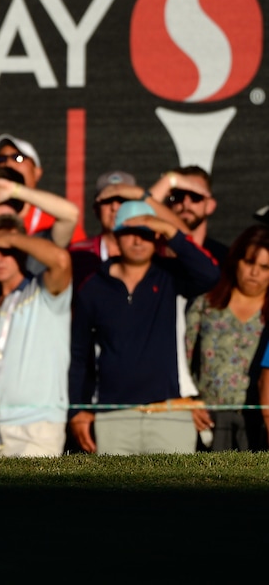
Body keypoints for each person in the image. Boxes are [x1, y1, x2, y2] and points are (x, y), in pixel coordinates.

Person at [69, 200, 220, 455]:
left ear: (157, 237)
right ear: (116, 236)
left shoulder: (170, 276)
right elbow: (78, 355)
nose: (138, 241)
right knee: (116, 494)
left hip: (169, 410)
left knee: (172, 494)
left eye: (146, 234)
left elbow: (211, 275)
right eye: (130, 233)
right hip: (113, 414)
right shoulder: (93, 286)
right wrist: (77, 410)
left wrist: (169, 230)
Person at [0, 214, 73, 457]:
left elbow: (61, 261)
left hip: (39, 425)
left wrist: (12, 237)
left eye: (7, 250)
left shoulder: (44, 293)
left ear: (21, 250)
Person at [186, 224, 269, 451]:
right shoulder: (205, 306)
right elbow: (182, 362)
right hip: (207, 421)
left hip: (258, 422)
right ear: (236, 261)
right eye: (249, 262)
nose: (254, 273)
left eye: (264, 267)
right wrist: (188, 403)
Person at [0, 133, 86, 244]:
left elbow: (72, 215)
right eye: (1, 159)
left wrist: (14, 190)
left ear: (37, 172)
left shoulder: (56, 216)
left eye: (17, 157)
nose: (8, 163)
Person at [149, 166, 227, 264]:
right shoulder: (147, 256)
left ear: (210, 206)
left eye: (196, 196)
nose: (186, 204)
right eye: (178, 195)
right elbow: (137, 215)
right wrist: (168, 181)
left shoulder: (225, 259)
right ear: (168, 203)